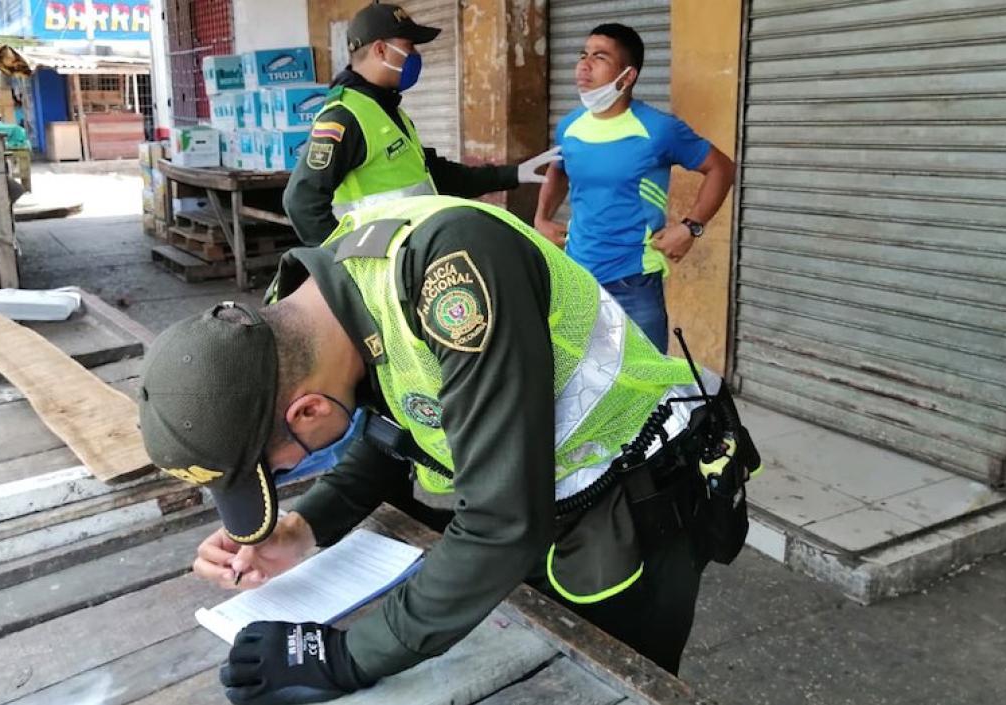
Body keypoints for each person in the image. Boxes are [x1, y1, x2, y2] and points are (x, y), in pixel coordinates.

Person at [138, 195, 761, 704]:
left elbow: (499, 525)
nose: (285, 477)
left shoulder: (453, 274)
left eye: (278, 472)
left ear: (307, 410)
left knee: (614, 683)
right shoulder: (311, 317)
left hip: (631, 502)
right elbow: (394, 434)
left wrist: (344, 657)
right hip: (538, 498)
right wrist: (305, 527)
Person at [283, 2, 559, 245]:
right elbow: (301, 202)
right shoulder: (345, 116)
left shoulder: (386, 110)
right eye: (408, 46)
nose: (415, 55)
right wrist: (344, 264)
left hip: (406, 260)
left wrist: (514, 174)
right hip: (377, 273)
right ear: (380, 50)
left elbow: (435, 176)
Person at [534, 24, 736, 353]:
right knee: (578, 382)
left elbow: (721, 168)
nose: (584, 65)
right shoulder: (570, 126)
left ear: (627, 76)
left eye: (599, 57)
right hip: (576, 278)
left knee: (645, 388)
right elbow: (559, 169)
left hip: (635, 283)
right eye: (583, 55)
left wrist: (690, 227)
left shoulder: (658, 129)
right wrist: (541, 218)